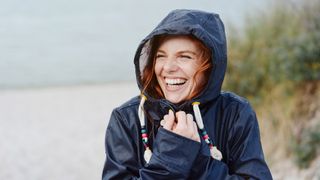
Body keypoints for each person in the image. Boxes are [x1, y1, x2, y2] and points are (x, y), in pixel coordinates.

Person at [102, 9, 273, 179]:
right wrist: (169, 157)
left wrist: (198, 160)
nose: (168, 68)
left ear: (210, 66)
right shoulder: (127, 118)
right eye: (160, 56)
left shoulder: (235, 113)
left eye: (184, 57)